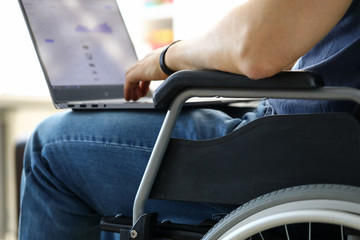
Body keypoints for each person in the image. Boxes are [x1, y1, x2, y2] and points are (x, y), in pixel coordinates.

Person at [19, 0, 360, 239]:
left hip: (305, 154)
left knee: (51, 147)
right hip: (327, 143)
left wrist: (167, 59)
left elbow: (257, 47)